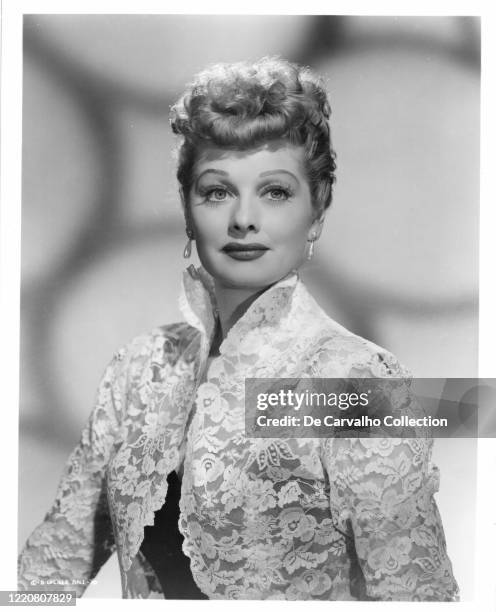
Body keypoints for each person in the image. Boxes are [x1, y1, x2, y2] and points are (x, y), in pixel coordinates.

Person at [18, 57, 459, 601]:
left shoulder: (356, 380)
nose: (243, 219)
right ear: (187, 207)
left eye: (274, 192)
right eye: (217, 191)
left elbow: (418, 596)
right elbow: (51, 567)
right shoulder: (140, 369)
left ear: (318, 208)